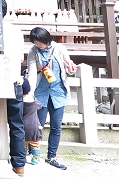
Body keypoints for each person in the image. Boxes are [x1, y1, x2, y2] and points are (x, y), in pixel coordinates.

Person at [26, 26, 76, 170]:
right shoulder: (33, 52)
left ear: (46, 39)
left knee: (56, 126)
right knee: (36, 125)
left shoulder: (60, 49)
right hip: (41, 92)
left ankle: (52, 156)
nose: (37, 45)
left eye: (39, 42)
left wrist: (71, 69)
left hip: (58, 93)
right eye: (35, 42)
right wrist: (29, 91)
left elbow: (68, 68)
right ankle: (33, 153)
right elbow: (32, 72)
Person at [2, 0, 27, 176]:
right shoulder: (16, 31)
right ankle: (19, 165)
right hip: (14, 81)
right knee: (16, 124)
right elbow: (20, 58)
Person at [22, 75, 42, 166]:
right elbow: (40, 106)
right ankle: (35, 158)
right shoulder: (33, 100)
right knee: (35, 143)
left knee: (23, 143)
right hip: (34, 126)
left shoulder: (20, 102)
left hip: (23, 125)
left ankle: (24, 156)